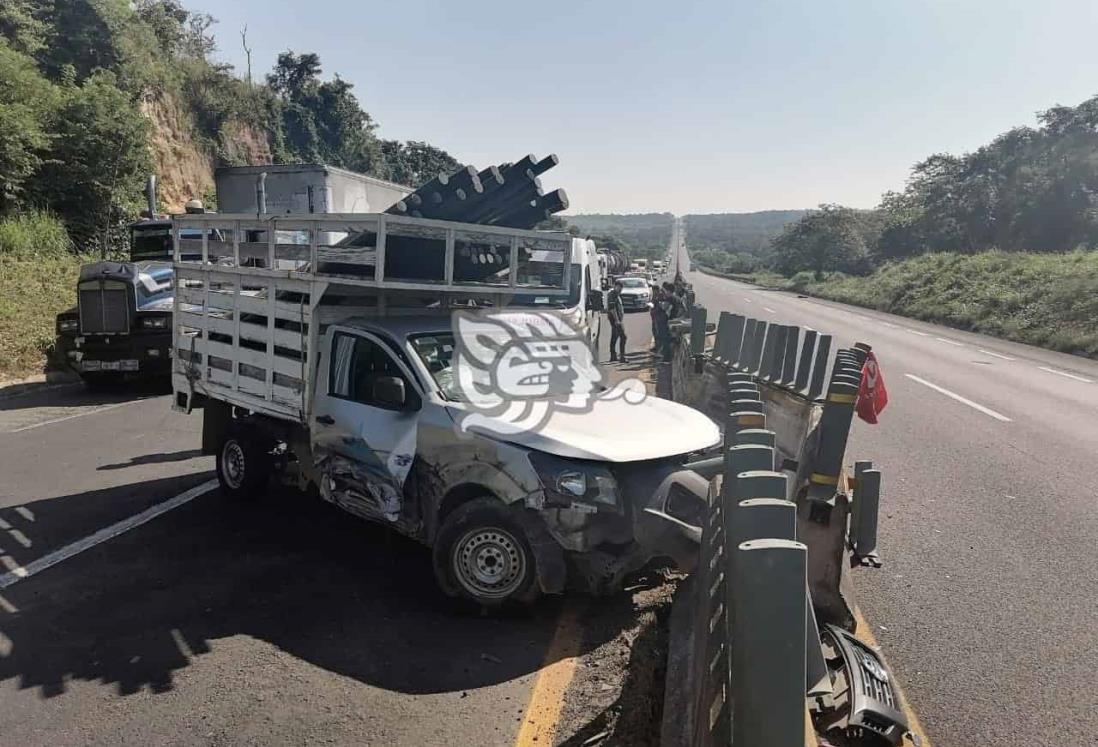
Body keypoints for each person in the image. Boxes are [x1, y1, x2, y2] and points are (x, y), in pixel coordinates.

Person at [607, 279, 627, 362]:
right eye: (618, 287)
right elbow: (612, 308)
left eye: (621, 288)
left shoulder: (616, 294)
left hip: (617, 319)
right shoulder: (612, 295)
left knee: (614, 337)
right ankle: (622, 357)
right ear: (615, 286)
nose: (620, 289)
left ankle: (613, 356)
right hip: (615, 319)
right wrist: (617, 320)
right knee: (623, 337)